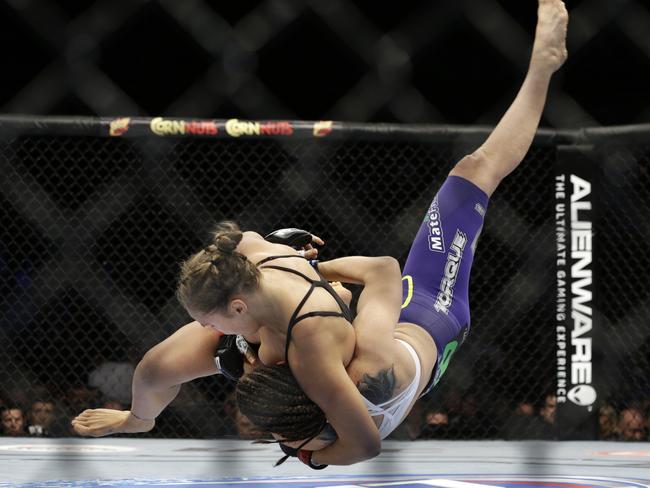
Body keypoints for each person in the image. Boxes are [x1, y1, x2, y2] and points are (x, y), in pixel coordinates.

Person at [72, 0, 568, 468]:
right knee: (156, 367)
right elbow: (239, 242)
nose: (205, 328)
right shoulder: (250, 257)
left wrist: (308, 454)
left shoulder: (324, 356)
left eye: (210, 320)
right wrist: (308, 265)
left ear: (239, 309)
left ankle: (541, 67)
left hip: (427, 320)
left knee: (475, 170)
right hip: (302, 325)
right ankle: (139, 420)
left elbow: (366, 440)